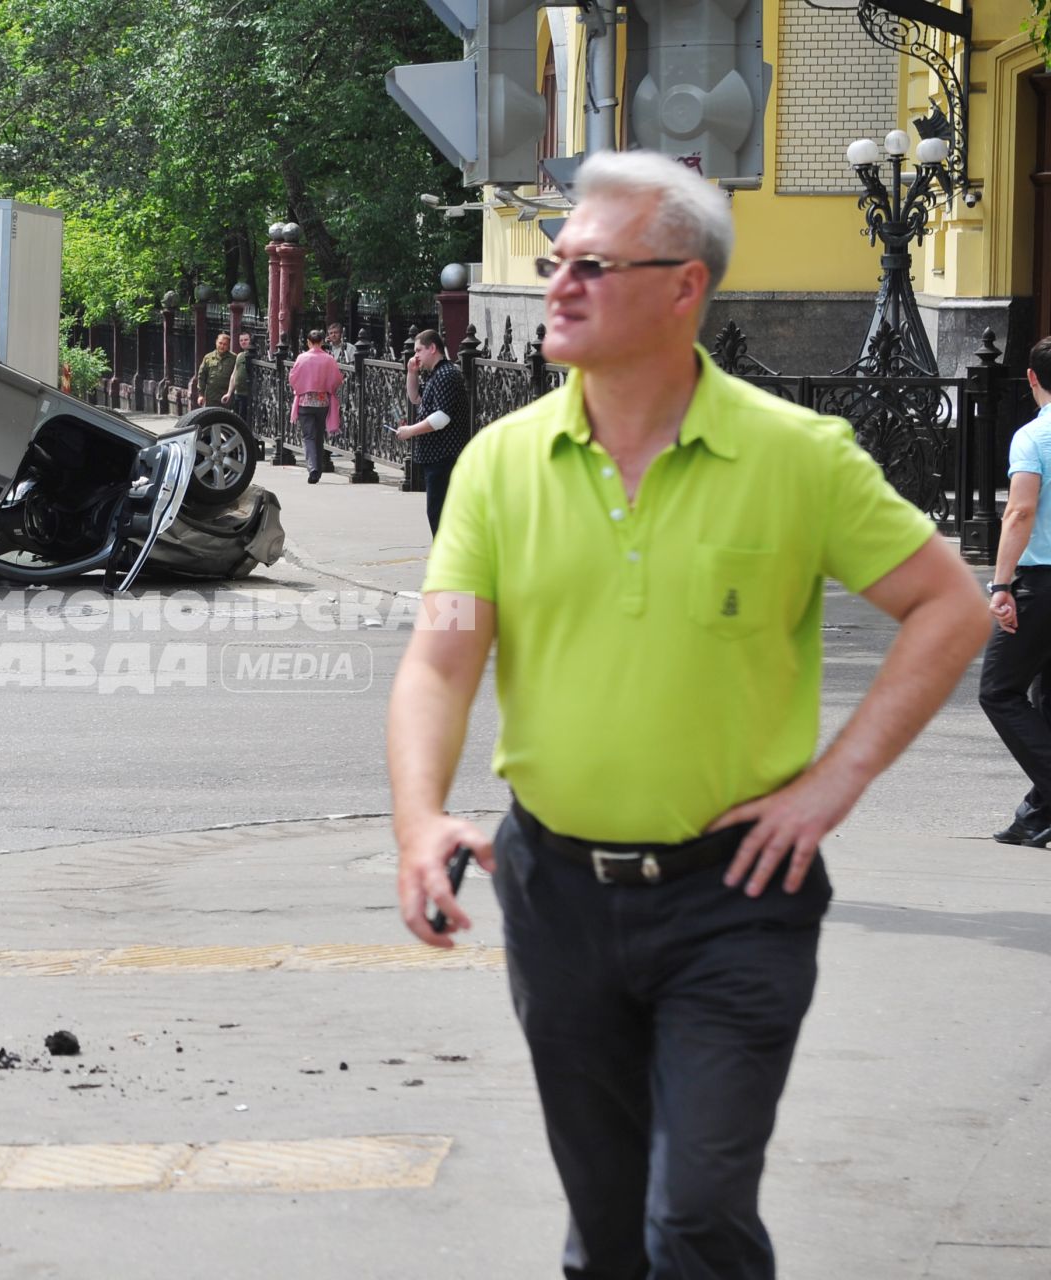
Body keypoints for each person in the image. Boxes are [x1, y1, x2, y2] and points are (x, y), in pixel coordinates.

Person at [386, 150, 987, 1279]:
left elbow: (949, 607)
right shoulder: (500, 465)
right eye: (556, 260)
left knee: (697, 1218)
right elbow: (442, 657)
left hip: (736, 898)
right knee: (608, 1237)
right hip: (556, 891)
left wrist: (833, 781)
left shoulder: (798, 456)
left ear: (682, 289)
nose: (556, 282)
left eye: (590, 265)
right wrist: (419, 819)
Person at [979, 335, 1051, 844]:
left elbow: (1021, 511)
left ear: (1032, 378)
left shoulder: (1034, 437)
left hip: (1042, 582)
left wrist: (1001, 583)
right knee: (1046, 697)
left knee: (999, 690)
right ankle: (1037, 815)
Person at [395, 330, 466, 533]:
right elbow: (416, 398)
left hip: (444, 456)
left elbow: (441, 418)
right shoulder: (436, 374)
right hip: (436, 456)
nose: (415, 356)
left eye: (419, 350)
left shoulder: (446, 375)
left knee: (439, 514)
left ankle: (447, 560)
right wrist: (412, 373)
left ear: (432, 348)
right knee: (436, 512)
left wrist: (410, 431)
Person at [287, 329, 343, 483]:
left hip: (305, 401)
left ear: (308, 342)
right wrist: (327, 388)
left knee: (308, 437)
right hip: (322, 401)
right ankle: (318, 468)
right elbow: (337, 379)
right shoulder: (329, 359)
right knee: (318, 436)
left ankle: (313, 468)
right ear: (322, 342)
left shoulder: (302, 358)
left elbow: (292, 378)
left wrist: (302, 388)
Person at [193, 332, 235, 408]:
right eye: (220, 343)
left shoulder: (233, 358)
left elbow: (236, 376)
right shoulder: (208, 357)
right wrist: (201, 395)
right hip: (211, 397)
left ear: (228, 345)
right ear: (216, 343)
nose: (222, 346)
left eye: (225, 344)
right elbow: (201, 377)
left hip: (226, 396)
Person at [224, 331, 255, 419]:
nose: (243, 342)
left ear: (250, 340)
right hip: (238, 394)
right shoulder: (239, 356)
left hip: (248, 395)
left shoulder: (255, 356)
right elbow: (234, 375)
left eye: (246, 340)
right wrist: (229, 393)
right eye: (241, 340)